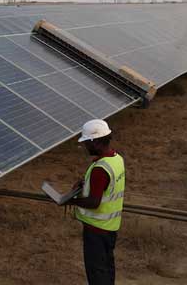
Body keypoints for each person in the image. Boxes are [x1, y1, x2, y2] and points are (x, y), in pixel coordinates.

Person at [67, 119, 125, 285]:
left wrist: (72, 200)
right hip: (111, 226)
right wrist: (86, 184)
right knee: (107, 267)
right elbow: (108, 186)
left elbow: (94, 202)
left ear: (96, 142)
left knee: (97, 273)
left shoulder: (100, 168)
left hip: (96, 229)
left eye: (86, 142)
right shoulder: (116, 159)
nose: (85, 147)